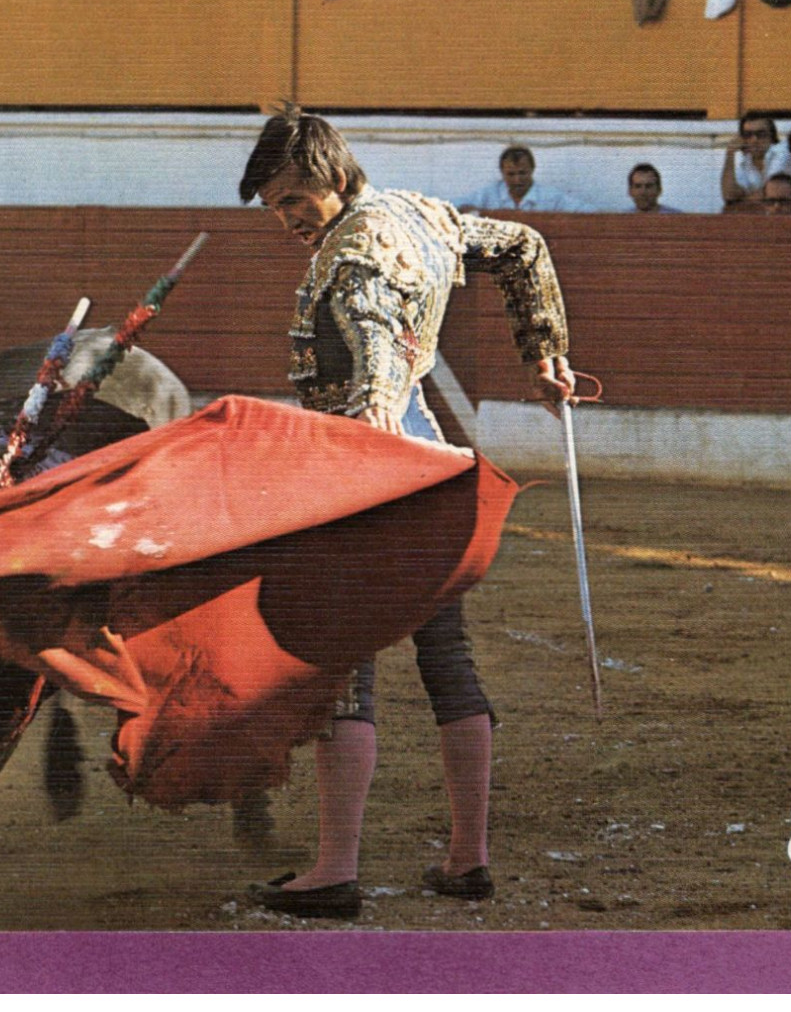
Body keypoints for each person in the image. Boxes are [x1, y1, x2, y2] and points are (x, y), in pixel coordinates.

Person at [236, 108, 577, 920]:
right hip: (434, 467)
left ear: (336, 177)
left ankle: (335, 868)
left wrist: (348, 484)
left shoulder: (352, 260)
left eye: (295, 200)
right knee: (446, 656)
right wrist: (547, 351)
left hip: (375, 474)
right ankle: (468, 859)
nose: (288, 220)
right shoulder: (421, 214)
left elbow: (373, 377)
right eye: (276, 207)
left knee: (343, 670)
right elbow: (524, 248)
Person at [459, 146, 593, 213]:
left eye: (522, 173)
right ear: (502, 173)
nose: (517, 180)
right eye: (511, 174)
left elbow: (590, 212)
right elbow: (450, 206)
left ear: (532, 169)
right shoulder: (488, 194)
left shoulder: (550, 197)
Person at [720, 114, 791, 207]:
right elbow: (729, 196)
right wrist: (730, 154)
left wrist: (741, 201)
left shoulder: (781, 152)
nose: (754, 140)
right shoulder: (746, 162)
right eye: (748, 135)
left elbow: (771, 192)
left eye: (761, 134)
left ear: (772, 137)